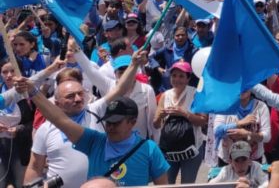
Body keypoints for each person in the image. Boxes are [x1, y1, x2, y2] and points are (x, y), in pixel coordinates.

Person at [17, 75, 170, 185]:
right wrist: (33, 92)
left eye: (116, 123)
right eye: (107, 122)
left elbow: (162, 185)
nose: (110, 127)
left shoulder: (150, 149)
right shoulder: (94, 141)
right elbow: (59, 119)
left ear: (132, 122)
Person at [24, 49, 144, 188]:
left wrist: (134, 64)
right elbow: (34, 166)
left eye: (80, 93)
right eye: (70, 96)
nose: (78, 99)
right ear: (56, 103)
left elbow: (120, 89)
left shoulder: (96, 110)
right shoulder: (45, 129)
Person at [153, 60, 207, 184]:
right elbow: (155, 124)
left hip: (192, 151)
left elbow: (203, 121)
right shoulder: (165, 95)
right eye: (174, 75)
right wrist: (160, 116)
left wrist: (184, 113)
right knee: (166, 184)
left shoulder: (196, 94)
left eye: (181, 76)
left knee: (187, 185)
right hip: (169, 152)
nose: (177, 79)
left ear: (188, 79)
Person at [0, 59, 35, 187]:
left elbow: (36, 123)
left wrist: (19, 129)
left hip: (22, 147)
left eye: (12, 71)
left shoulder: (30, 94)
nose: (9, 75)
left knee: (21, 182)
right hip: (1, 147)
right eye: (4, 72)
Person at [214, 89, 271, 164]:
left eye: (245, 84)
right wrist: (239, 124)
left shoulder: (261, 107)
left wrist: (247, 134)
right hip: (228, 161)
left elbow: (267, 137)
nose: (242, 88)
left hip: (253, 161)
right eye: (239, 85)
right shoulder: (225, 105)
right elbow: (217, 131)